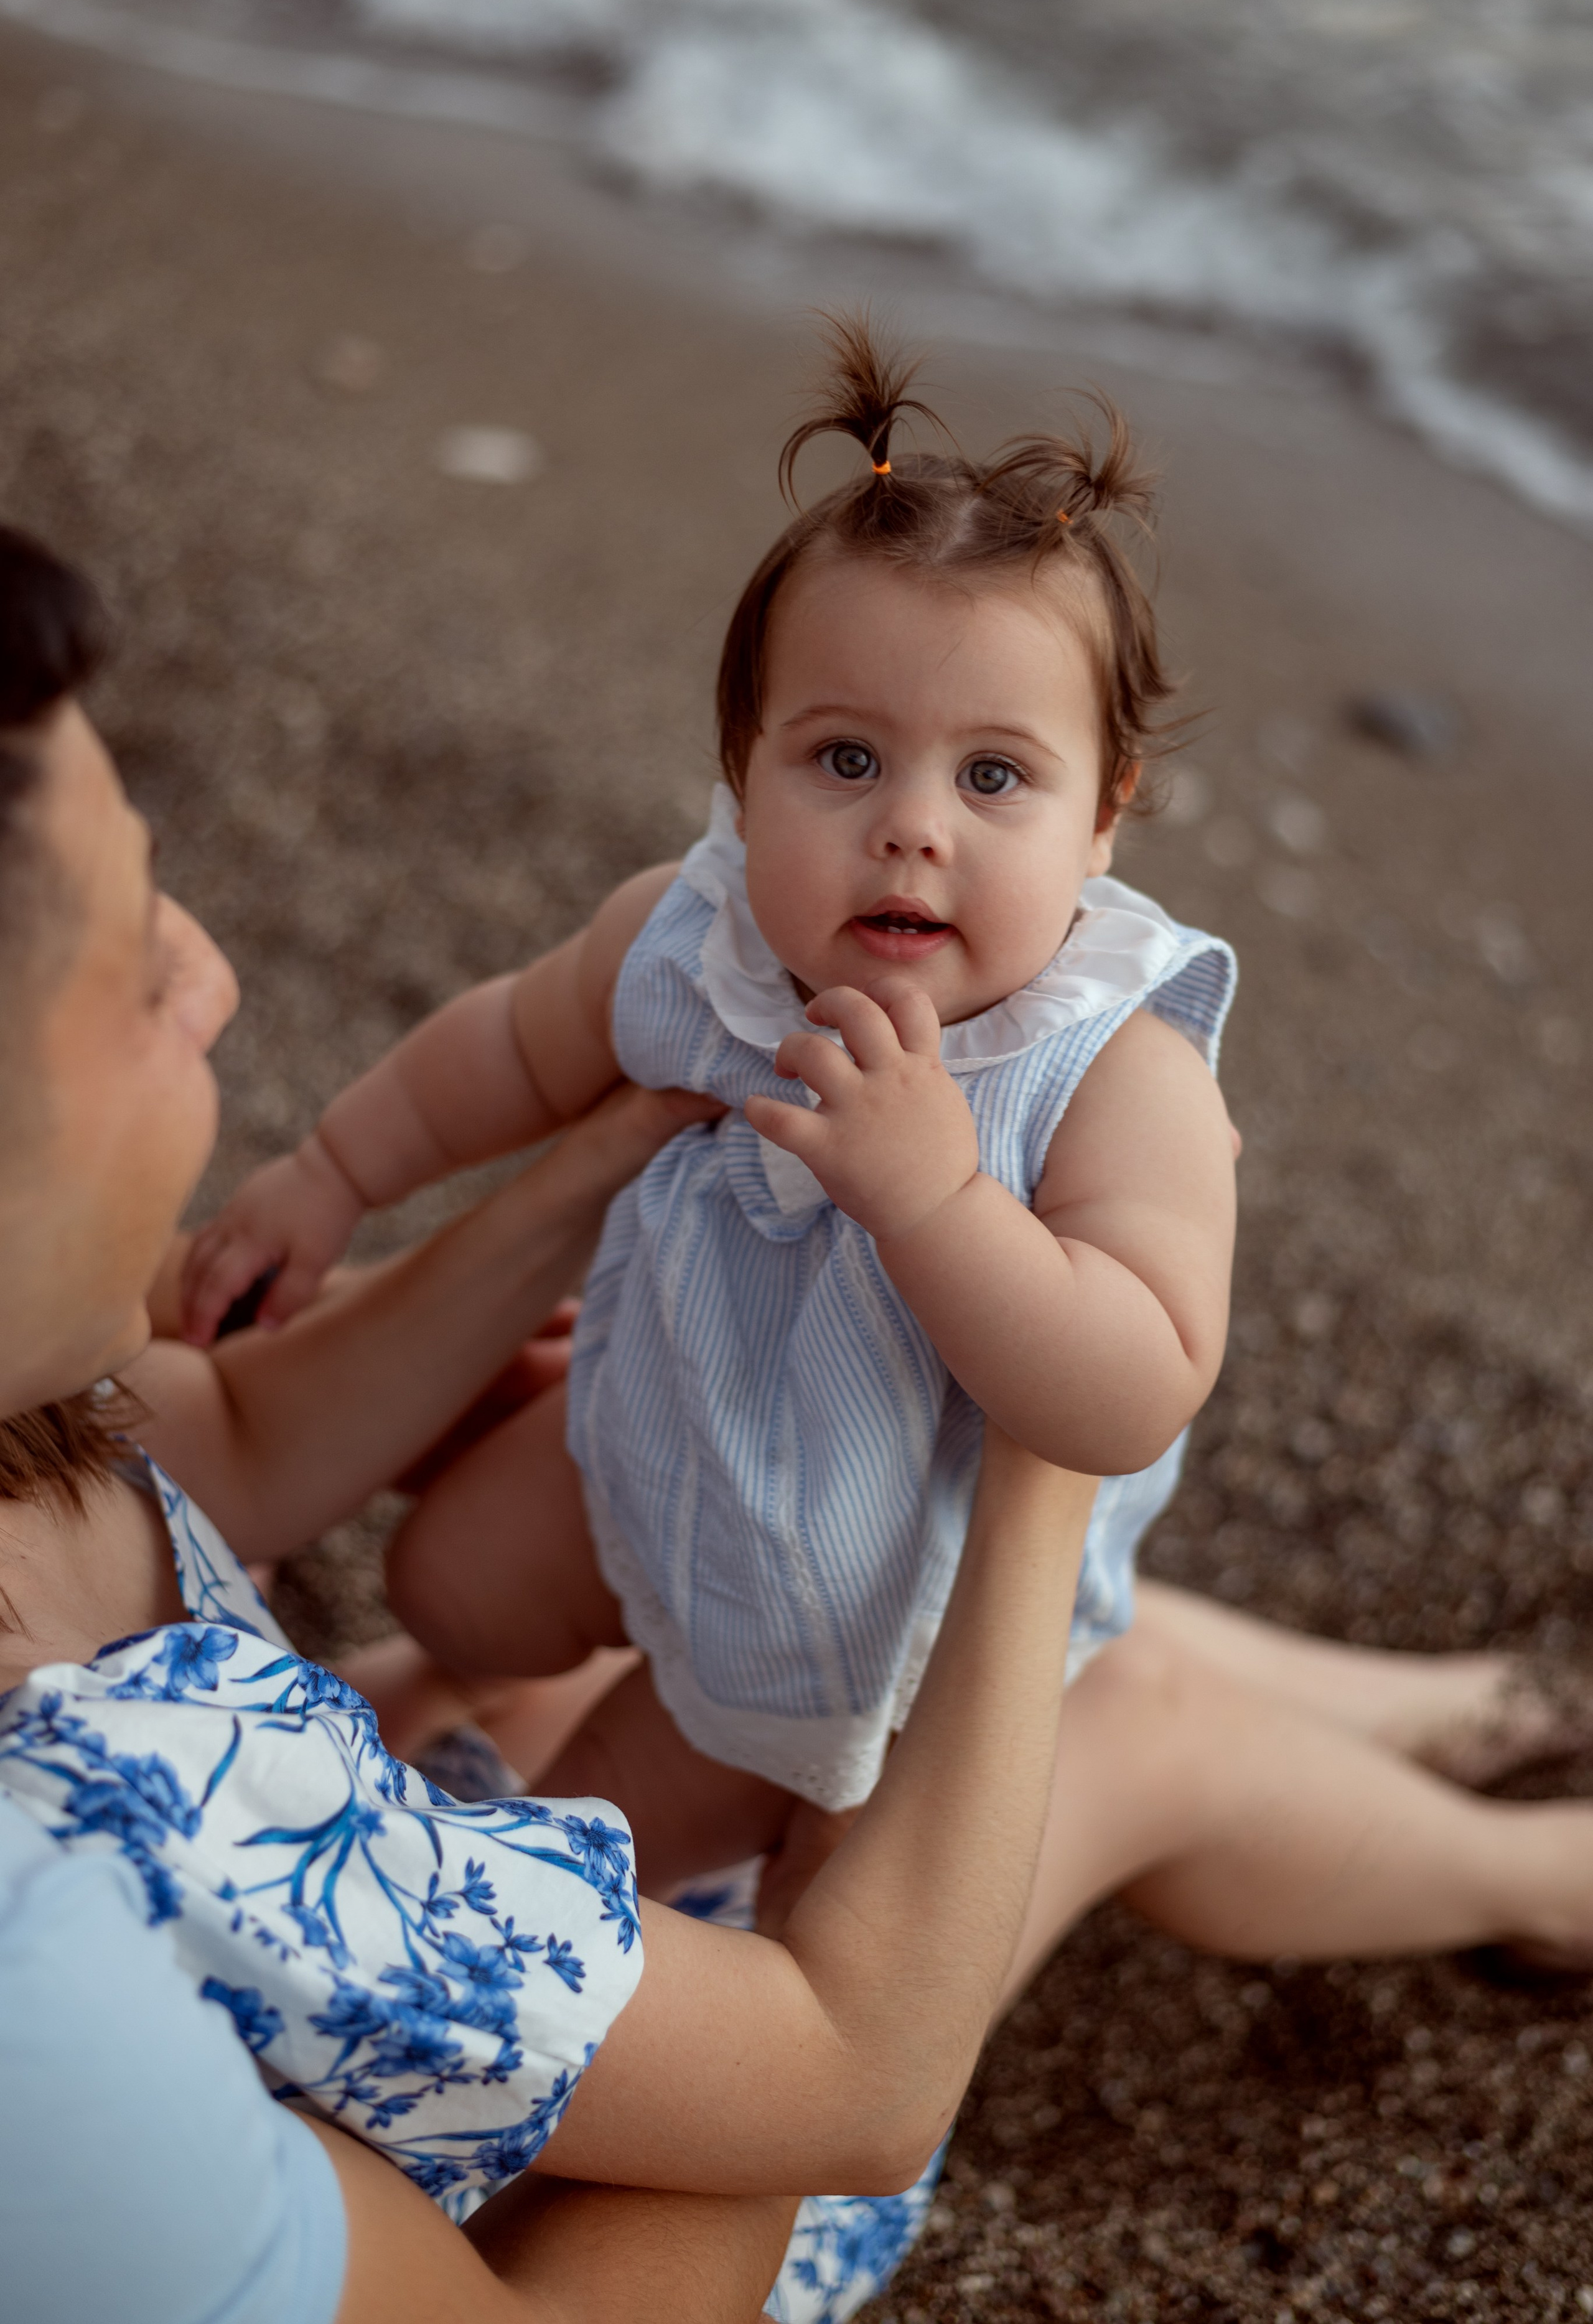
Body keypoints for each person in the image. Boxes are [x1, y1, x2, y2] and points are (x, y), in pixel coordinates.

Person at [0, 520, 1103, 2324]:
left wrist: (588, 1166)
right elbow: (855, 2086)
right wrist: (1040, 1456)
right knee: (1096, 1720)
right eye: (134, 959)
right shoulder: (143, 1803)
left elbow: (249, 1441)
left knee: (562, 1646)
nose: (213, 977)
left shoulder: (28, 1429)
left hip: (310, 1989)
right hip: (569, 2226)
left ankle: (1486, 1742)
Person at [180, 316, 1239, 1888]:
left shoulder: (1104, 1069)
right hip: (667, 1421)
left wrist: (938, 1203)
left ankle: (717, 1822)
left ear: (1104, 816)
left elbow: (1133, 1385)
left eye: (994, 777)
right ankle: (508, 1659)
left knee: (599, 1833)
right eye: (843, 758)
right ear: (741, 773)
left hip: (873, 1594)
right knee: (451, 1583)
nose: (910, 831)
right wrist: (336, 1169)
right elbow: (513, 1047)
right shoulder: (703, 941)